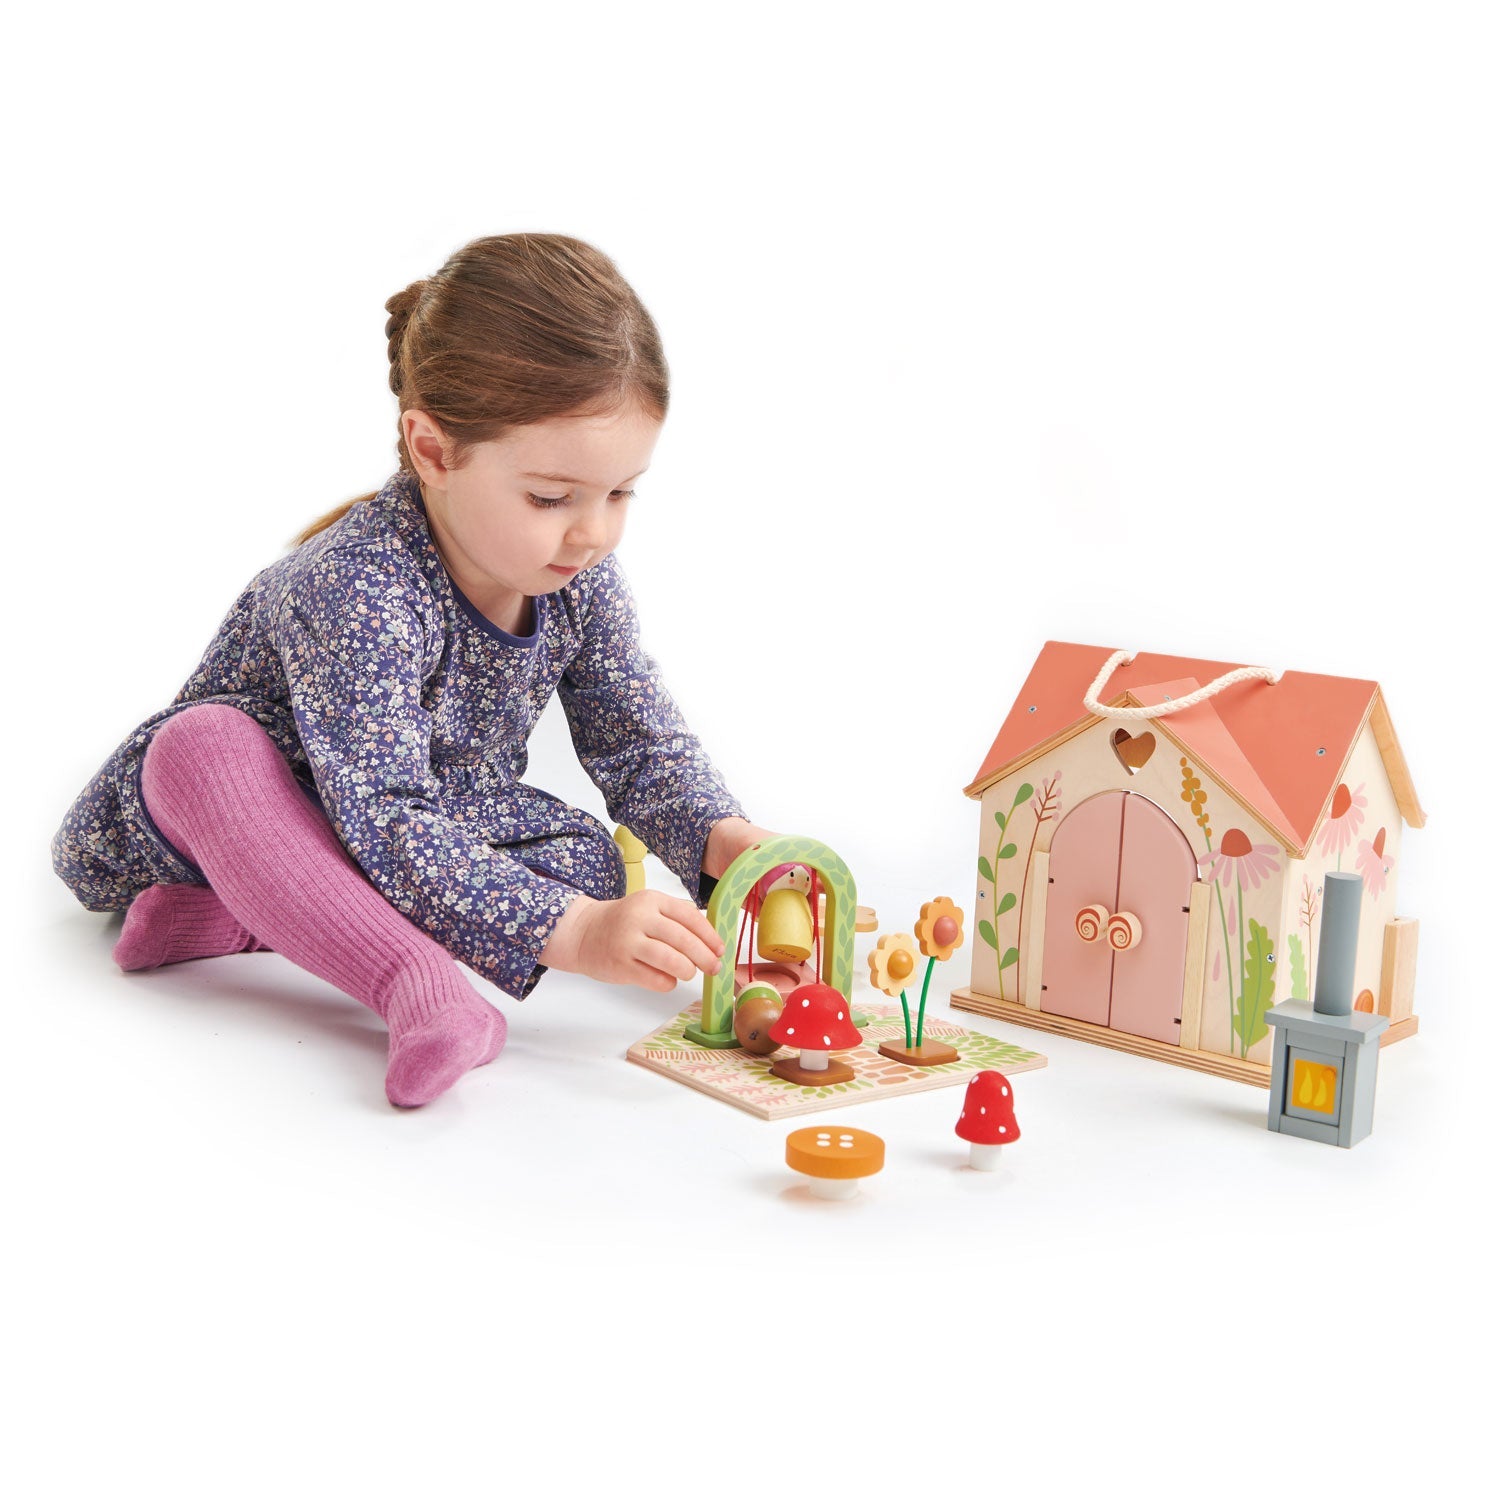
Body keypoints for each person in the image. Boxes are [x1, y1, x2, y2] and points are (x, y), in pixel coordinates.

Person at [52, 232, 774, 1107]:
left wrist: (718, 838)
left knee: (588, 862)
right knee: (201, 747)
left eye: (621, 492)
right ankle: (415, 984)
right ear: (433, 452)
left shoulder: (579, 578)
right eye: (552, 497)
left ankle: (251, 918)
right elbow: (387, 816)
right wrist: (575, 932)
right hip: (234, 814)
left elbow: (636, 736)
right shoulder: (357, 585)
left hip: (408, 816)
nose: (594, 532)